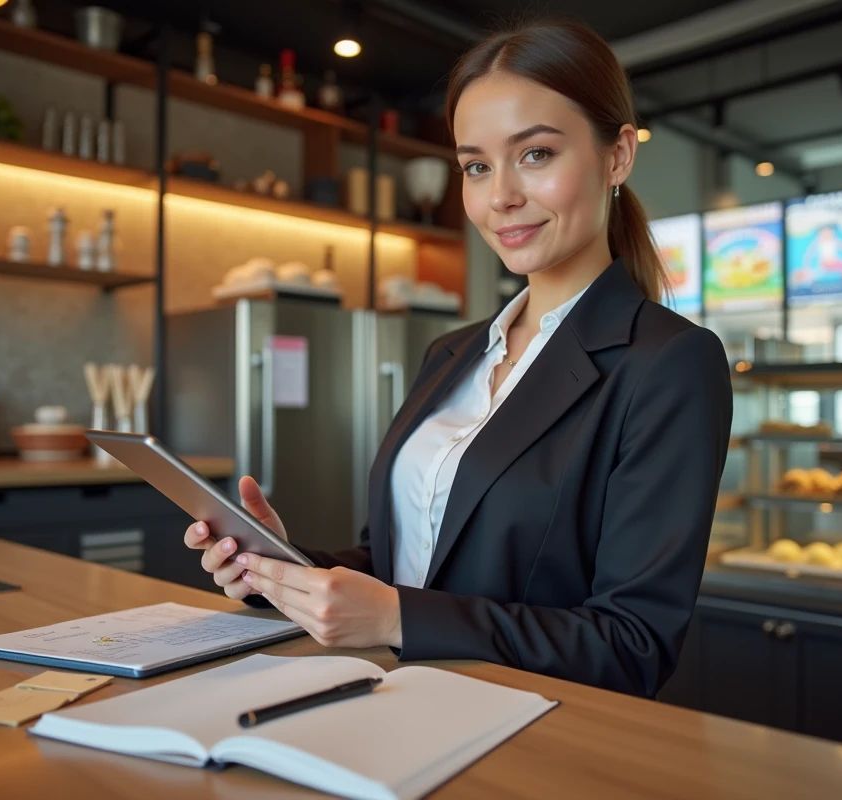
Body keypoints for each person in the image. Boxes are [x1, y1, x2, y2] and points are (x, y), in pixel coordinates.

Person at [185, 18, 732, 697]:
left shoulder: (670, 363)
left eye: (535, 154)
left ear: (618, 155)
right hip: (396, 705)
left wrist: (394, 617)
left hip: (530, 734)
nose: (499, 195)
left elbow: (631, 646)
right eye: (476, 165)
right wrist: (281, 567)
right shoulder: (452, 352)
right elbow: (403, 564)